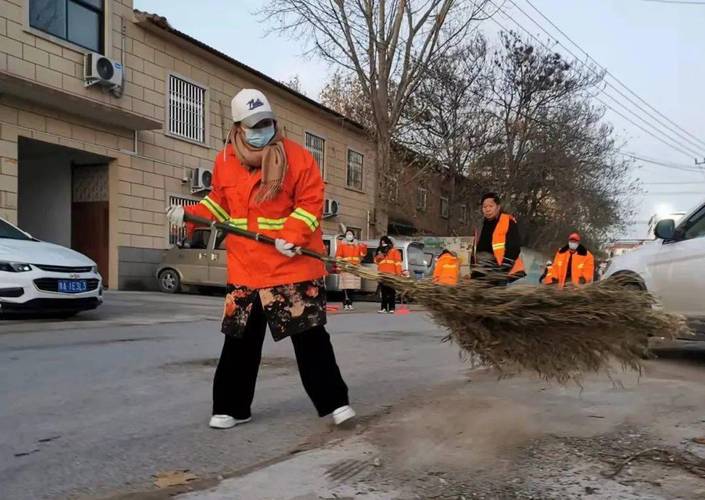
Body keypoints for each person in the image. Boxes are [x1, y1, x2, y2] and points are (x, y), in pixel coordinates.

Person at [166, 88, 354, 429]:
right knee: (239, 341)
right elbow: (218, 205)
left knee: (310, 338)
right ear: (238, 127)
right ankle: (232, 407)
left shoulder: (297, 157)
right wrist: (189, 214)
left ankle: (335, 403)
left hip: (291, 265)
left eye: (266, 123)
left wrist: (293, 236)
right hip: (247, 268)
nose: (261, 129)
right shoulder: (224, 161)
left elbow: (311, 202)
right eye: (253, 125)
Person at [472, 192, 525, 284]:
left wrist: (504, 267)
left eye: (490, 206)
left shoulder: (507, 221)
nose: (487, 209)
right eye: (485, 207)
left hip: (499, 271)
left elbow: (514, 247)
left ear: (498, 207)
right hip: (481, 271)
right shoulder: (480, 224)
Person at [335, 229, 367, 310]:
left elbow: (362, 255)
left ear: (353, 235)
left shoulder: (357, 245)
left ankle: (350, 303)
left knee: (352, 287)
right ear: (345, 236)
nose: (349, 235)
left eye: (351, 234)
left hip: (354, 268)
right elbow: (338, 256)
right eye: (348, 234)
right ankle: (345, 303)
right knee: (345, 287)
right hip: (346, 268)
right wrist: (339, 267)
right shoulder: (342, 245)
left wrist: (363, 248)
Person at [374, 236, 402, 313]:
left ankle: (391, 308)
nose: (383, 244)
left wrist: (398, 274)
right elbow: (376, 262)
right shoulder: (380, 251)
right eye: (382, 242)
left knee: (391, 292)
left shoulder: (394, 251)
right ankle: (384, 308)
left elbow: (398, 264)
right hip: (383, 275)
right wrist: (379, 256)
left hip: (391, 275)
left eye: (384, 242)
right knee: (383, 292)